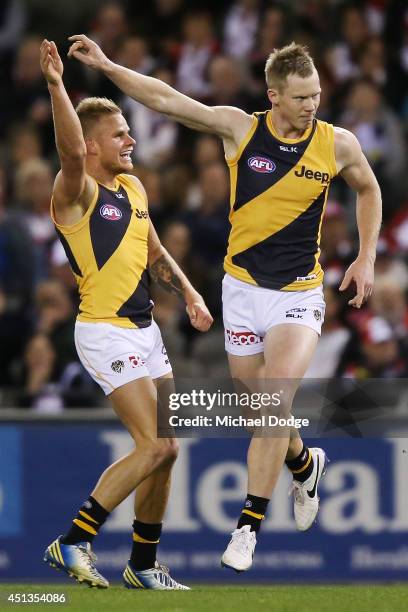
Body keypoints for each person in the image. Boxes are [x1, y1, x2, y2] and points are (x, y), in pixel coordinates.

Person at [67, 35, 381, 572]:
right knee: (255, 402)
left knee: (271, 402)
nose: (312, 105)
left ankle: (248, 526)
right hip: (241, 292)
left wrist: (367, 257)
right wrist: (108, 64)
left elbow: (368, 189)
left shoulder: (339, 143)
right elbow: (168, 100)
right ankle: (304, 464)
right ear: (273, 94)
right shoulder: (242, 129)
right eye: (301, 97)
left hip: (298, 294)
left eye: (317, 95)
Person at [39, 39, 213, 590]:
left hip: (146, 331)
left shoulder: (135, 187)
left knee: (169, 450)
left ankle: (142, 564)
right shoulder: (76, 193)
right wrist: (55, 86)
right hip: (104, 332)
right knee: (155, 444)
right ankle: (73, 540)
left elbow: (155, 252)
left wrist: (189, 293)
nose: (131, 139)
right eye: (119, 134)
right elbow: (67, 153)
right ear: (92, 147)